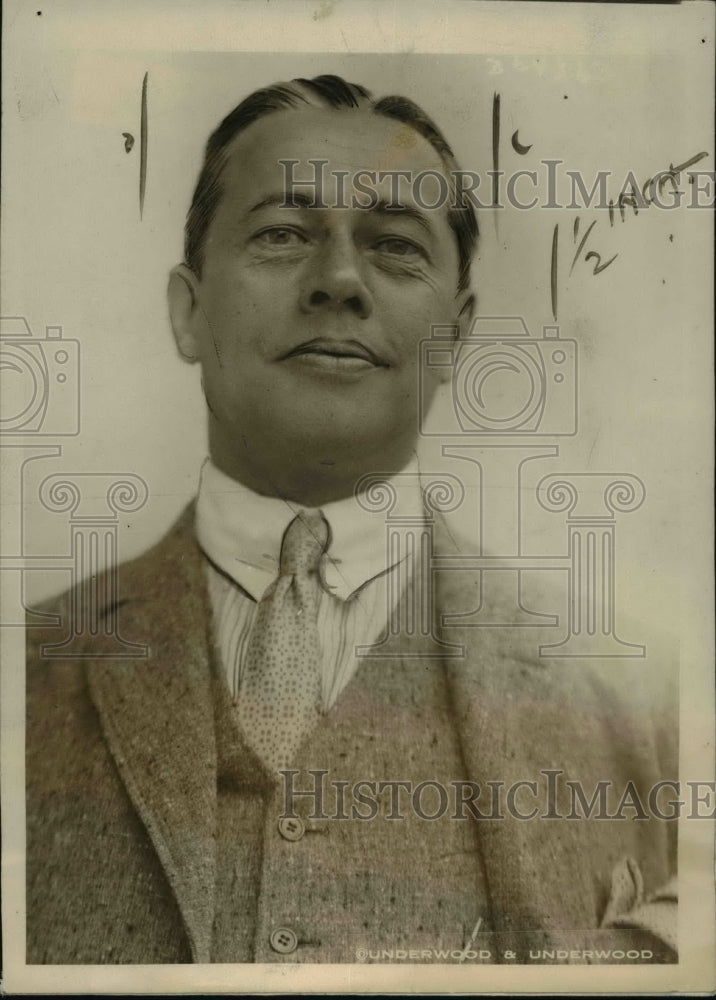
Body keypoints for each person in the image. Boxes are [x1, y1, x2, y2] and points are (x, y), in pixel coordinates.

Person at [25, 74, 677, 965]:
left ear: (454, 338)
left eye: (396, 247)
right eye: (284, 234)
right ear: (188, 311)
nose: (338, 280)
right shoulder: (23, 672)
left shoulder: (637, 702)